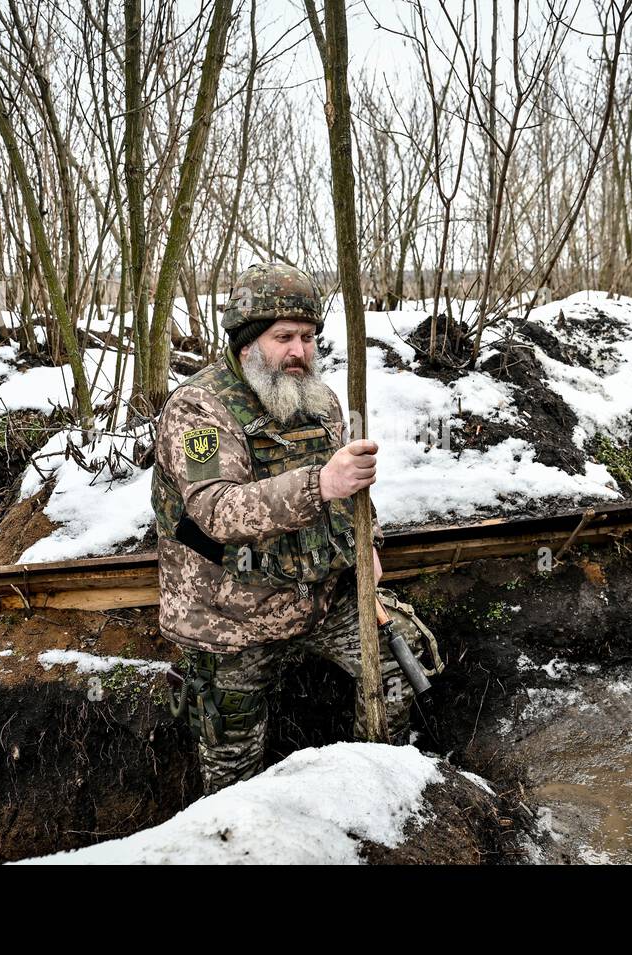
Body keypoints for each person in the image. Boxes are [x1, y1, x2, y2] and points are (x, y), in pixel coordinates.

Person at [152, 262, 435, 793]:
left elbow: (352, 495)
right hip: (230, 618)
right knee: (232, 768)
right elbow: (214, 510)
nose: (299, 352)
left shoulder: (320, 399)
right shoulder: (199, 409)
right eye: (283, 337)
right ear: (245, 342)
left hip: (320, 600)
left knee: (400, 660)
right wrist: (318, 485)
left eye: (307, 337)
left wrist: (364, 543)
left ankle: (371, 793)